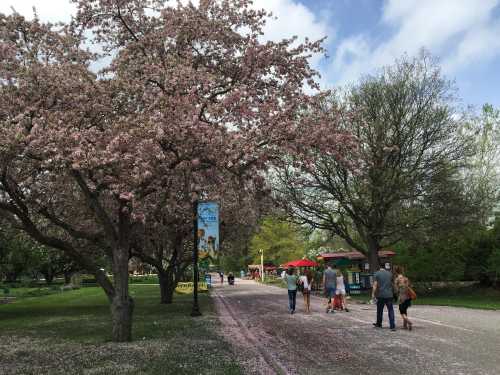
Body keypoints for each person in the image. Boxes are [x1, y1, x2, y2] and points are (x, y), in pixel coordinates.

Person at [372, 265, 396, 331]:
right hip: (389, 295)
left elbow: (375, 285)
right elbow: (392, 284)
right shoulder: (390, 274)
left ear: (379, 268)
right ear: (385, 268)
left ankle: (379, 324)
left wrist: (373, 294)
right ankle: (392, 325)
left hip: (381, 295)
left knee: (379, 310)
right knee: (390, 310)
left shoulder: (376, 274)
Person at [394, 266, 413, 330]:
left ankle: (408, 321)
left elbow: (396, 290)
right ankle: (405, 325)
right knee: (405, 310)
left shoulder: (397, 280)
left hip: (401, 297)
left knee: (402, 312)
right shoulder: (406, 278)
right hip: (408, 297)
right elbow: (409, 287)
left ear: (396, 272)